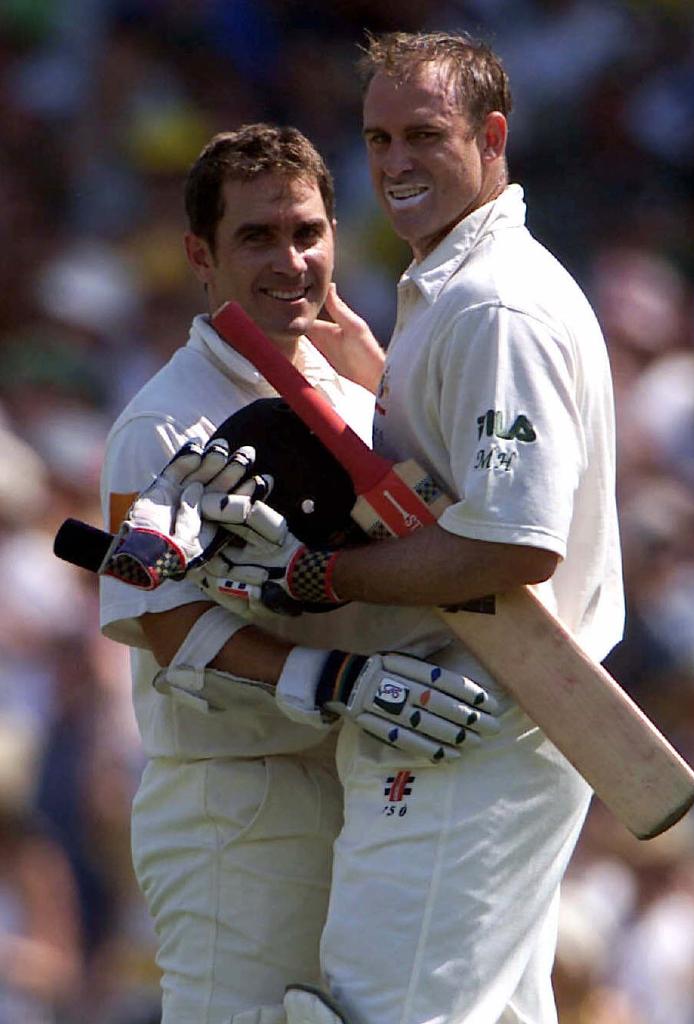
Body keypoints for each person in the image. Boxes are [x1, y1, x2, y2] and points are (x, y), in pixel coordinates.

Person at [179, 30, 624, 1024]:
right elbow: (465, 485)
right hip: (475, 710)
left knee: (381, 1014)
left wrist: (320, 578)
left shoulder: (495, 302)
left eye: (424, 133)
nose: (394, 164)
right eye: (378, 139)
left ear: (493, 134)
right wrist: (384, 384)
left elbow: (514, 542)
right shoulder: (457, 287)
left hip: (471, 717)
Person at [98, 123, 501, 1024]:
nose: (290, 260)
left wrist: (380, 374)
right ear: (200, 255)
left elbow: (433, 534)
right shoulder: (159, 422)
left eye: (306, 232)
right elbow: (164, 626)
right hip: (234, 805)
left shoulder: (350, 386)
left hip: (361, 784)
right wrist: (346, 682)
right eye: (256, 237)